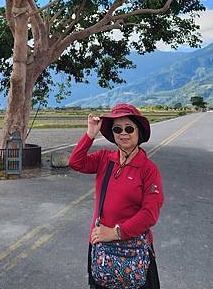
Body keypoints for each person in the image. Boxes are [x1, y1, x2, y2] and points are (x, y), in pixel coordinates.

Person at [69, 103, 163, 288]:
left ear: (139, 132)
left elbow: (150, 213)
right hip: (102, 247)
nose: (123, 133)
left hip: (133, 249)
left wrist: (115, 232)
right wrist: (90, 135)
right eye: (117, 129)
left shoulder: (148, 169)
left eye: (129, 128)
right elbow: (75, 162)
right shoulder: (105, 159)